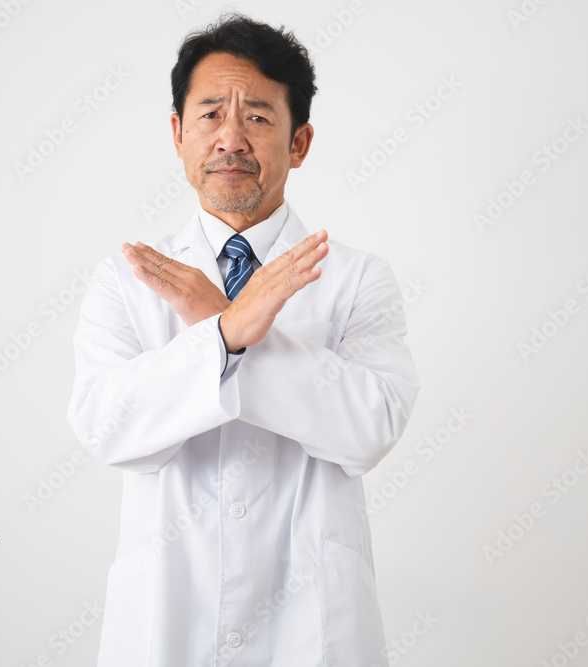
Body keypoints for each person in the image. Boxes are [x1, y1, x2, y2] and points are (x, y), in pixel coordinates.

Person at [66, 12, 420, 667]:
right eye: (210, 115)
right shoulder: (126, 278)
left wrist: (224, 334)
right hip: (168, 620)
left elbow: (369, 429)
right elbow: (106, 426)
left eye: (257, 116)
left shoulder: (357, 278)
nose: (230, 137)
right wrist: (226, 332)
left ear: (300, 142)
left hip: (312, 627)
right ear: (178, 134)